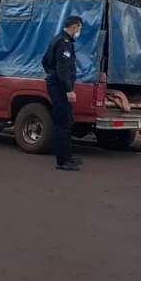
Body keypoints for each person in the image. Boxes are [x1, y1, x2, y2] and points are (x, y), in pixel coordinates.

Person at [42, 16, 83, 171]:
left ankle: (67, 156)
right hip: (60, 88)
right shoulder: (64, 43)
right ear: (74, 27)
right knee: (62, 123)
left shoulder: (58, 40)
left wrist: (50, 75)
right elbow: (62, 69)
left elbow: (44, 61)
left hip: (56, 84)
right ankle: (62, 161)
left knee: (67, 121)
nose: (79, 32)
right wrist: (69, 90)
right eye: (79, 28)